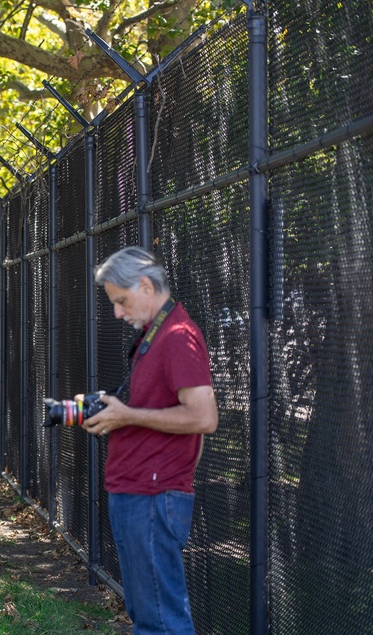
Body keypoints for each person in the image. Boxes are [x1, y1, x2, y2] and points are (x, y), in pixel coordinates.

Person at [81, 246, 218, 635]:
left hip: (154, 497)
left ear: (145, 285)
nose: (118, 313)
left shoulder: (177, 335)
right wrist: (119, 413)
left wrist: (127, 415)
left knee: (161, 622)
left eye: (121, 301)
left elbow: (204, 417)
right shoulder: (155, 335)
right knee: (149, 617)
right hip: (141, 493)